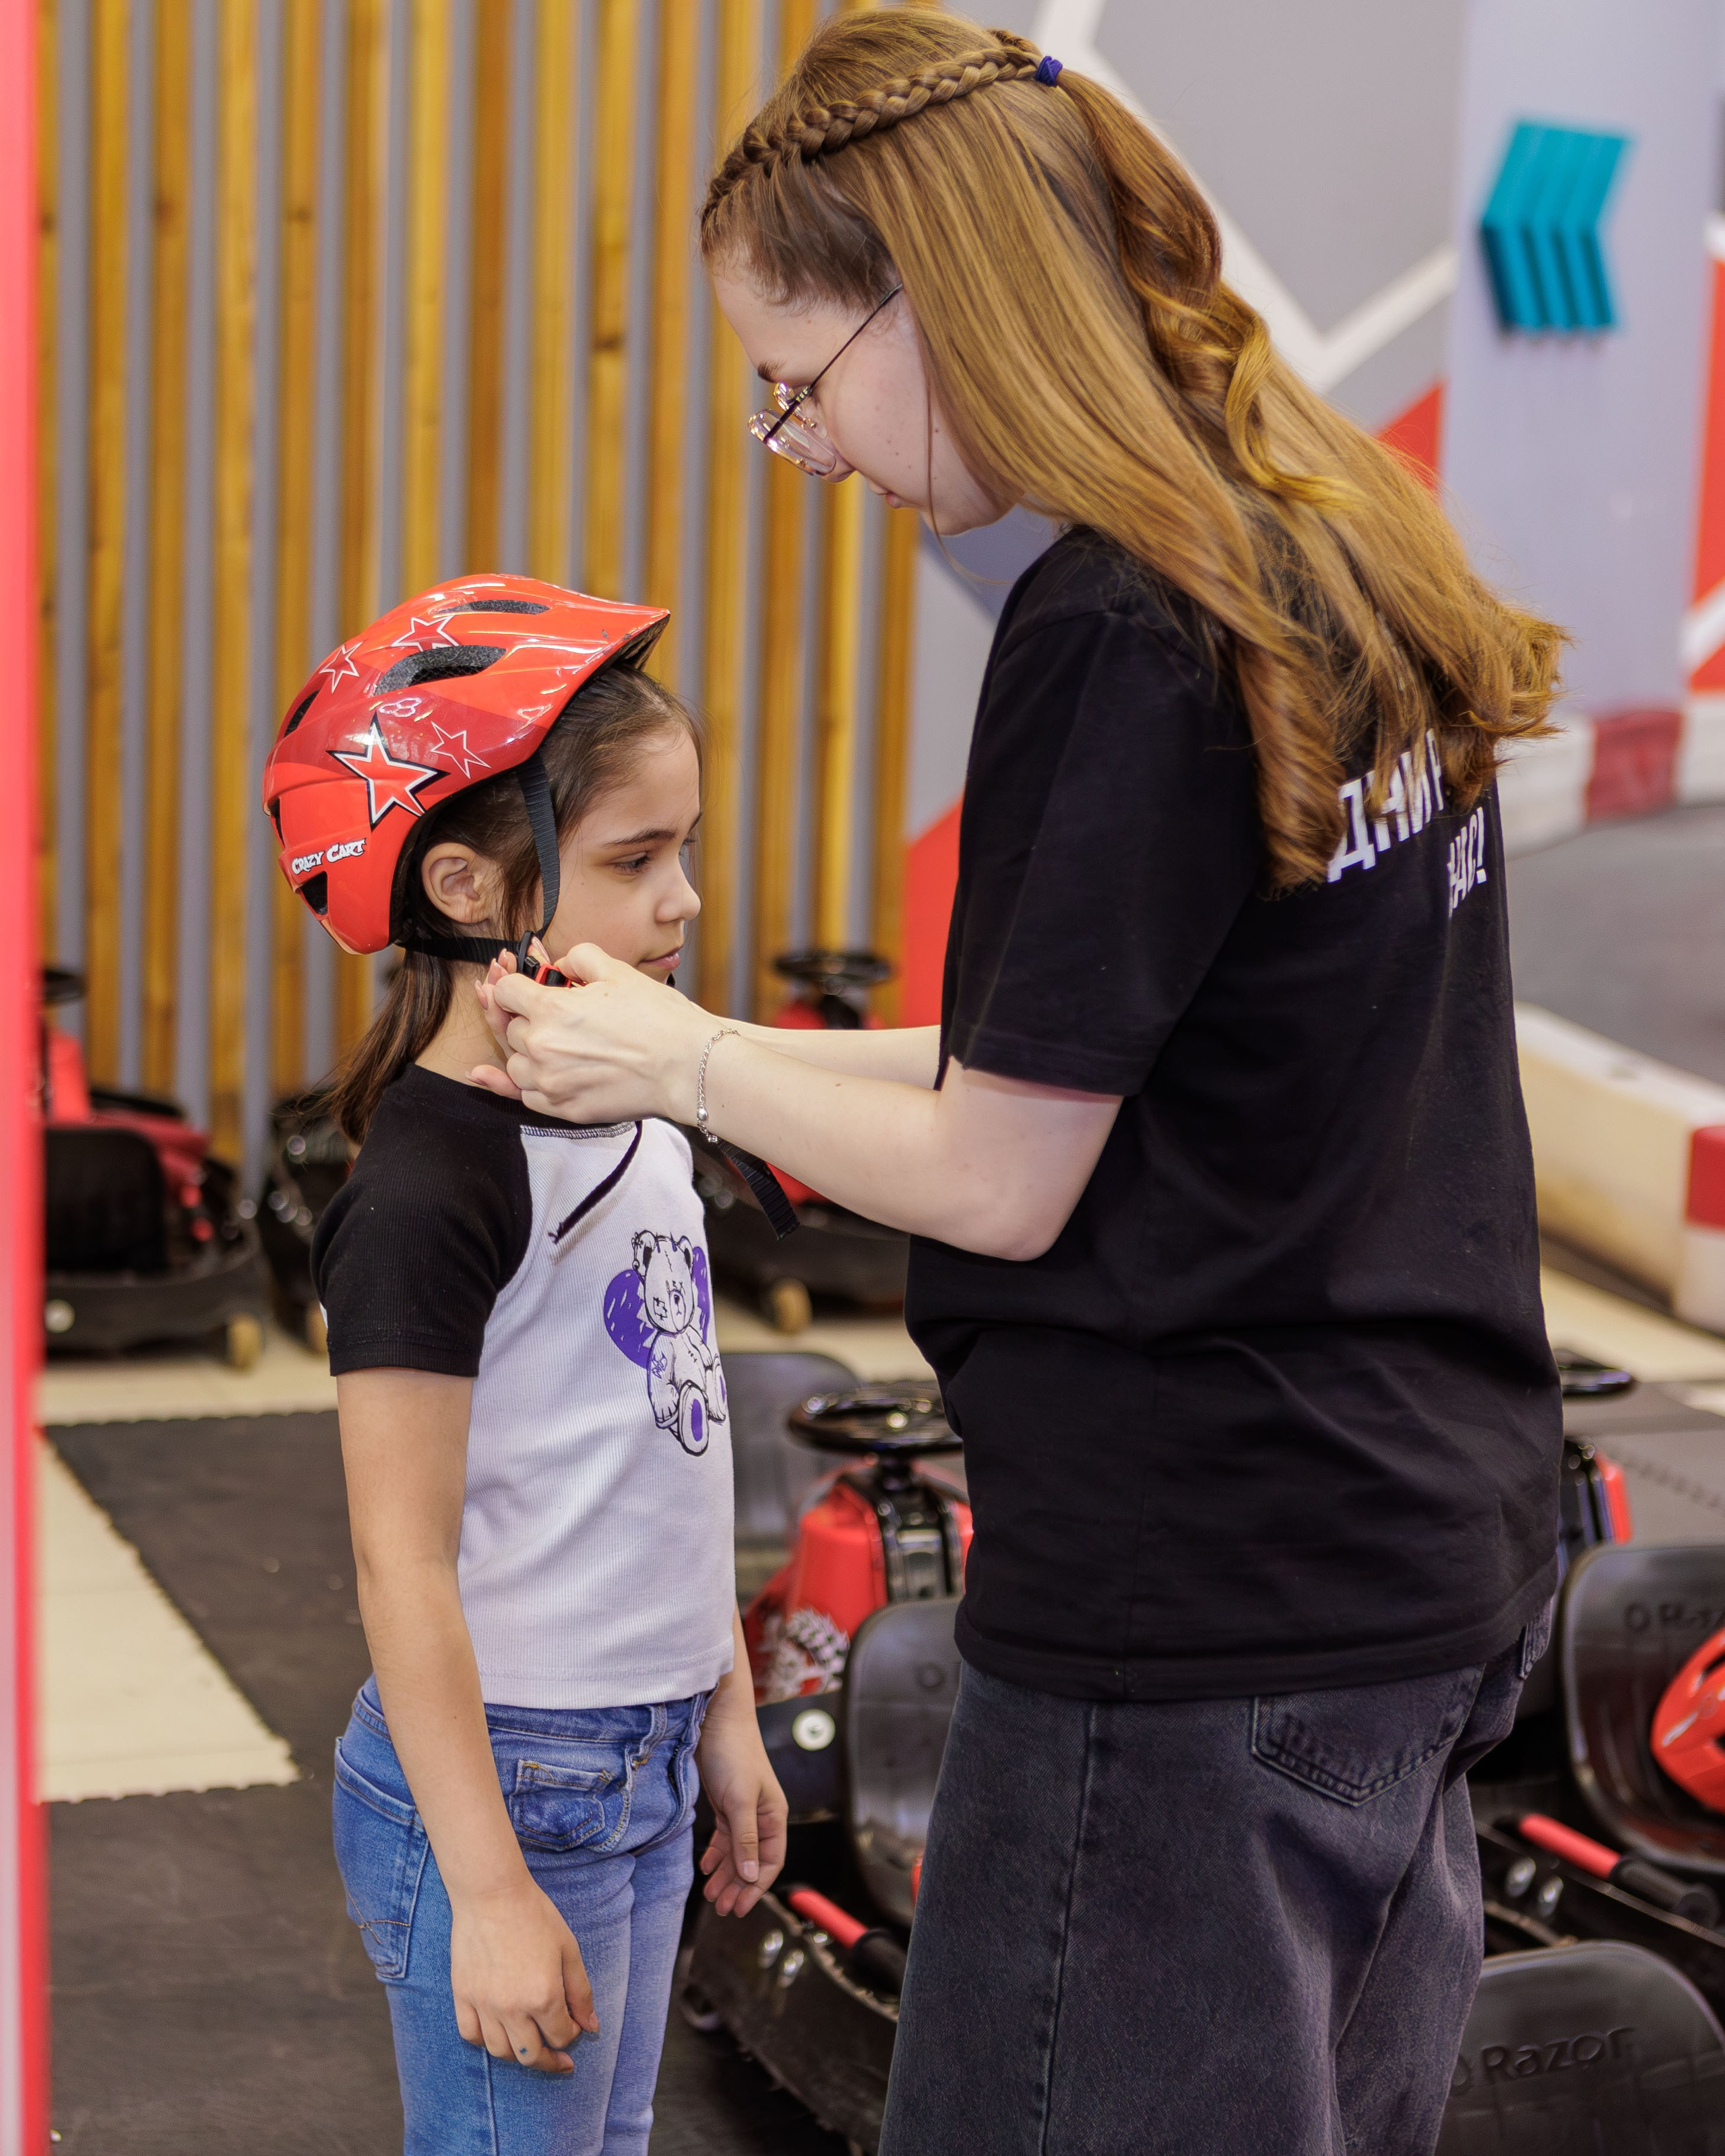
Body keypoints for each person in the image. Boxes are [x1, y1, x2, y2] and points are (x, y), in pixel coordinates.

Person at [473, 14, 1565, 2154]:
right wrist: (706, 1059)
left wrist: (692, 1062)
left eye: (799, 384)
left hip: (1206, 1602)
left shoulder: (1121, 625)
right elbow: (1110, 1045)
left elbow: (998, 1172)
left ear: (935, 297)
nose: (810, 449)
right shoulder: (1325, 536)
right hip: (1428, 1548)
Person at [261, 577, 786, 2156]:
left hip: (638, 1752)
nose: (684, 899)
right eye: (634, 860)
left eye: (684, 848)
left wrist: (723, 1705)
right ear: (466, 886)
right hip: (507, 1785)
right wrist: (486, 1889)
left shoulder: (638, 1108)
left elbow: (672, 1440)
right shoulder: (429, 1192)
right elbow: (398, 1558)